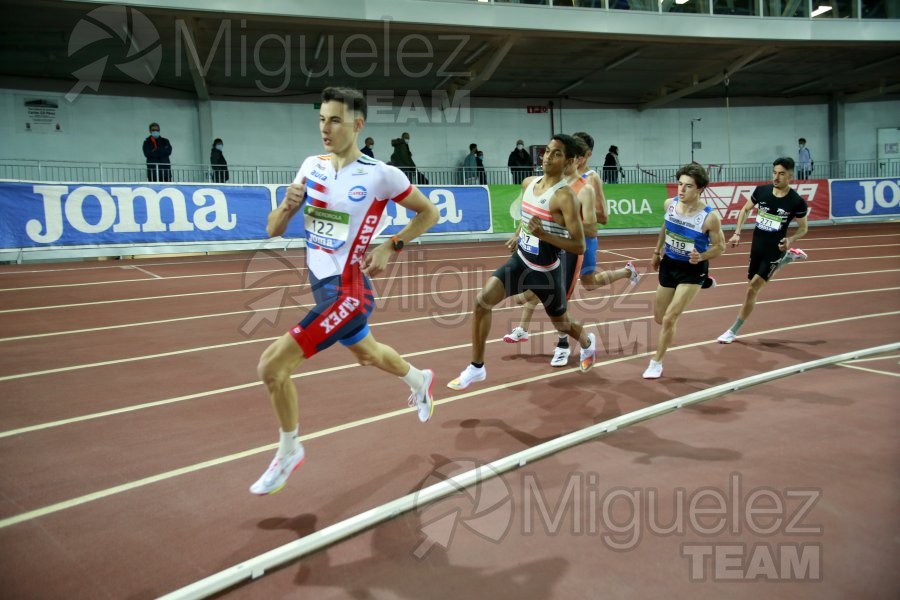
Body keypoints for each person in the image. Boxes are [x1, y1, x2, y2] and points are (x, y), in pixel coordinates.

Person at [249, 86, 439, 496]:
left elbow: (429, 212)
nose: (325, 127)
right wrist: (287, 206)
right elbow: (272, 230)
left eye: (335, 119)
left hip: (350, 292)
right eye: (321, 119)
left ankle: (289, 450)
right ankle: (419, 380)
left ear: (358, 124)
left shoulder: (381, 174)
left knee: (271, 368)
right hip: (322, 286)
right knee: (368, 354)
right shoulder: (310, 167)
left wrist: (393, 244)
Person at [447, 134, 597, 391]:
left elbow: (579, 245)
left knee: (563, 324)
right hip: (520, 262)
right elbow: (528, 216)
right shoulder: (529, 183)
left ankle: (586, 342)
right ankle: (477, 367)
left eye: (557, 153)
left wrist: (544, 235)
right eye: (547, 151)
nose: (548, 157)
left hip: (547, 273)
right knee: (482, 302)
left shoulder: (564, 197)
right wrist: (519, 235)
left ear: (569, 161)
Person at [503, 132, 640, 367]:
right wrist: (520, 234)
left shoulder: (589, 181)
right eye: (552, 153)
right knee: (541, 292)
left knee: (564, 294)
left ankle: (563, 344)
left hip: (575, 244)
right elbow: (533, 211)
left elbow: (599, 221)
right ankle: (524, 329)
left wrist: (567, 220)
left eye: (566, 155)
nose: (557, 158)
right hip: (548, 244)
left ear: (580, 157)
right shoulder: (548, 182)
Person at [643, 163, 725, 379]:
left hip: (692, 269)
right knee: (659, 318)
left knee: (670, 319)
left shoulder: (709, 217)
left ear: (699, 189)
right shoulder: (669, 204)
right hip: (670, 264)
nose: (681, 190)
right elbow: (665, 227)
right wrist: (656, 252)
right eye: (680, 184)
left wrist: (703, 256)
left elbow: (720, 246)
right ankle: (706, 282)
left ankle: (656, 362)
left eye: (688, 186)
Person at [717, 157, 809, 345]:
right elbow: (744, 209)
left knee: (753, 288)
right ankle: (787, 259)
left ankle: (733, 331)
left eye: (781, 174)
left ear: (790, 176)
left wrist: (790, 239)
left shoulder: (796, 202)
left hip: (775, 249)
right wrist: (736, 233)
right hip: (757, 246)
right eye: (774, 172)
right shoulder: (762, 191)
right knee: (753, 282)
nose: (776, 177)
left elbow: (803, 228)